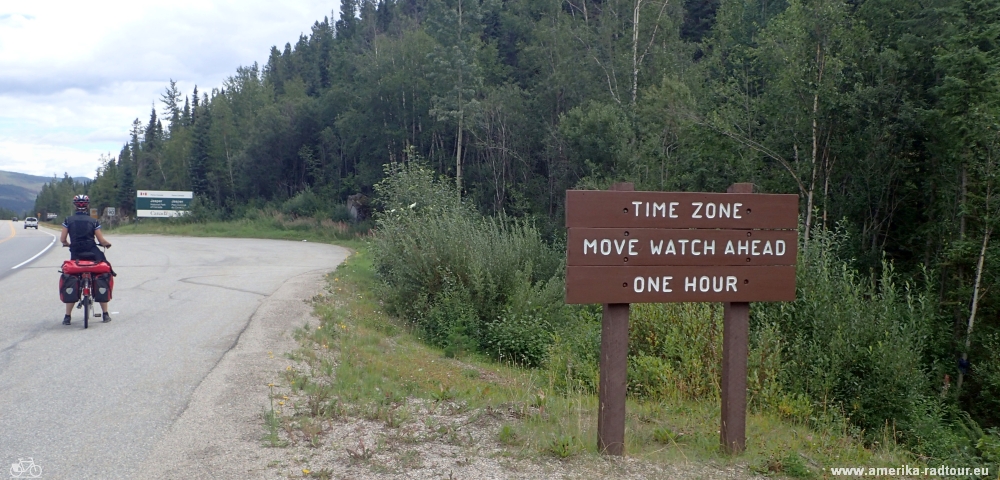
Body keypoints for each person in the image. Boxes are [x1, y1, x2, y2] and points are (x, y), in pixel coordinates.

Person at [60, 195, 113, 325]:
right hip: (92, 252)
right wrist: (106, 244)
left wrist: (67, 244)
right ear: (87, 206)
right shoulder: (93, 221)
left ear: (75, 205)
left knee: (72, 277)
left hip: (76, 253)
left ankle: (67, 317)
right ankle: (105, 314)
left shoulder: (68, 220)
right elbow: (101, 240)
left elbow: (62, 239)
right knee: (102, 274)